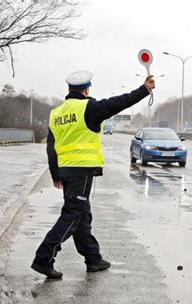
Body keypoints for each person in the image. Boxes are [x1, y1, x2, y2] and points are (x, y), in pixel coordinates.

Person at [31, 70, 156, 279]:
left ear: (69, 89)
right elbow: (119, 102)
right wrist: (144, 90)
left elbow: (51, 147)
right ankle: (43, 258)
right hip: (82, 169)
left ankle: (93, 259)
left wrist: (55, 174)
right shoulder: (89, 107)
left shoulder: (57, 113)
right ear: (86, 89)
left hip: (65, 169)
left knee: (81, 214)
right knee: (72, 214)